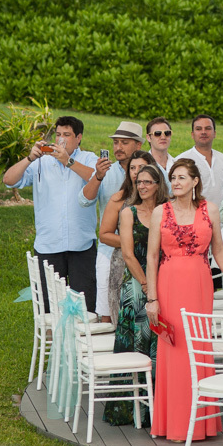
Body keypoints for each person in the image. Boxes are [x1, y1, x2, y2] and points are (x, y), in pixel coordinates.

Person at [144, 159, 223, 443]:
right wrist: (152, 298)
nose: (176, 182)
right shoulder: (159, 212)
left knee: (198, 345)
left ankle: (202, 423)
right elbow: (152, 256)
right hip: (168, 284)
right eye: (173, 178)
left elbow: (219, 249)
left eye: (182, 177)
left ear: (195, 181)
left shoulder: (210, 210)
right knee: (174, 347)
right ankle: (174, 424)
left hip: (200, 285)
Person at [3, 115, 99, 313]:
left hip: (82, 245)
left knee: (86, 306)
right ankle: (54, 343)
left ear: (78, 137)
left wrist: (68, 161)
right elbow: (9, 180)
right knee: (49, 308)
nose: (61, 139)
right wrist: (30, 158)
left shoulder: (89, 158)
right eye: (58, 135)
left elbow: (98, 177)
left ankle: (82, 343)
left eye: (67, 135)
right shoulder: (41, 162)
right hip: (49, 245)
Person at [103, 163, 170, 426]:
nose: (141, 186)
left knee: (159, 345)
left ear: (158, 185)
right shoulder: (128, 212)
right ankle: (131, 411)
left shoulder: (167, 210)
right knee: (136, 344)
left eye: (147, 182)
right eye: (139, 182)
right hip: (137, 285)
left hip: (165, 282)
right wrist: (145, 284)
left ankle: (159, 410)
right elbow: (128, 254)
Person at [82, 121, 145, 321]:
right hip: (109, 252)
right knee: (106, 310)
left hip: (146, 256)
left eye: (124, 142)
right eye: (116, 142)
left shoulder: (153, 176)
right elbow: (84, 201)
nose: (118, 147)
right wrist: (98, 177)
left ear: (138, 145)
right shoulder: (105, 172)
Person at [100, 150, 157, 324]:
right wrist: (132, 242)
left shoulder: (162, 201)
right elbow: (104, 235)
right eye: (133, 168)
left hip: (155, 264)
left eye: (142, 167)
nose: (137, 171)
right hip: (124, 264)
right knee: (128, 320)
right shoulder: (119, 198)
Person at [176, 115, 223, 207]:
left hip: (219, 218)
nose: (203, 132)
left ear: (215, 133)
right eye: (198, 129)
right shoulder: (182, 161)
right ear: (192, 135)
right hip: (193, 217)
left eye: (208, 128)